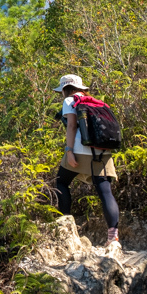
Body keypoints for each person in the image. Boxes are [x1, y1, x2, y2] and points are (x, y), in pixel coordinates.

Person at [53, 74, 120, 245]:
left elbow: (72, 125)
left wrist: (69, 151)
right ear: (81, 88)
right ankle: (113, 238)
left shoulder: (69, 101)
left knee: (61, 182)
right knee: (105, 191)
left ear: (64, 90)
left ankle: (66, 226)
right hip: (103, 151)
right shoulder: (96, 103)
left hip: (80, 150)